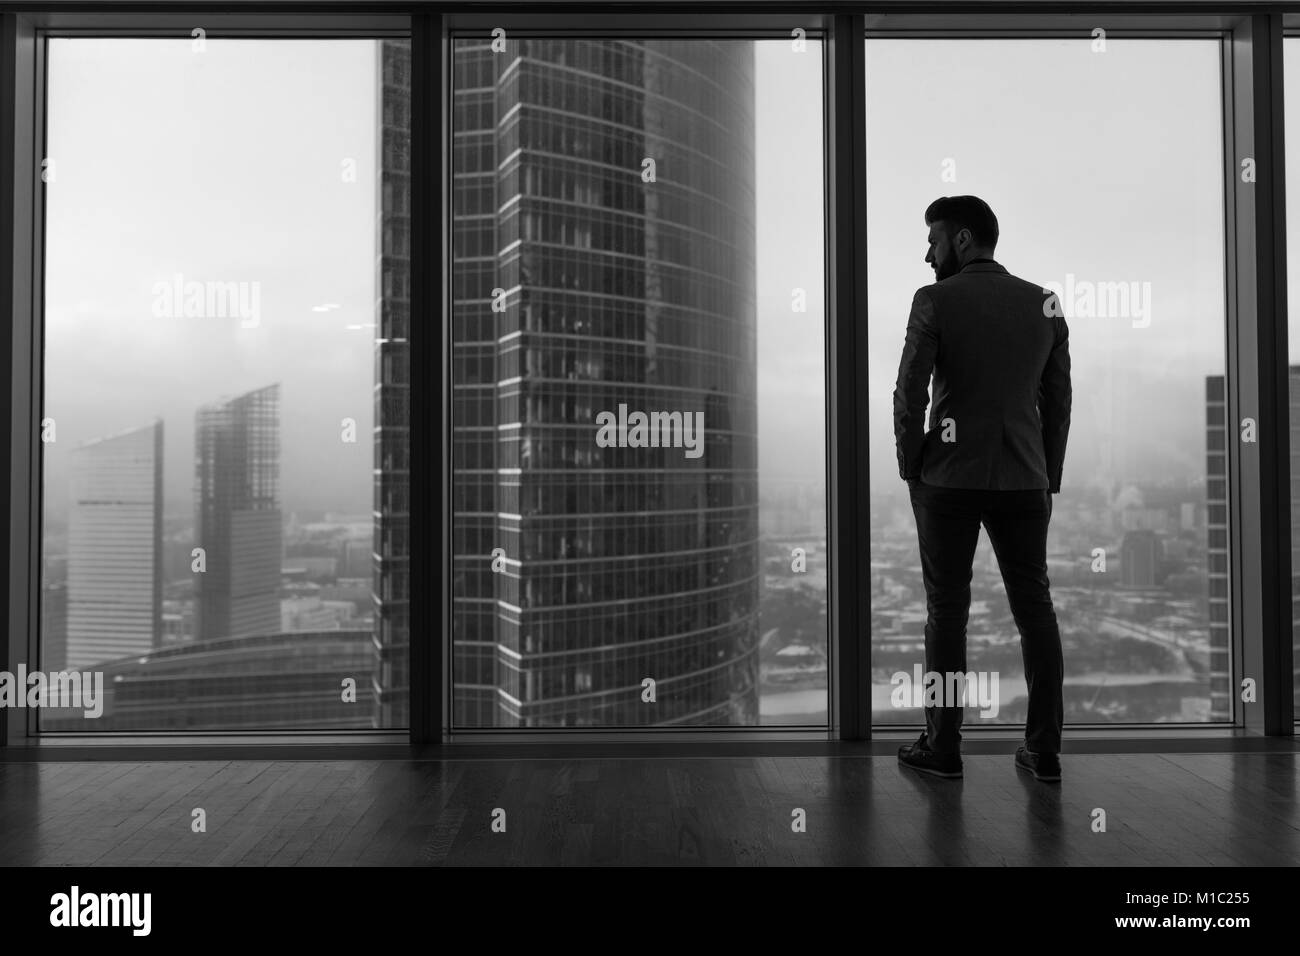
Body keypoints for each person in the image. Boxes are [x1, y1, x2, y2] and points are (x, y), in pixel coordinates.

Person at [893, 195, 1071, 783]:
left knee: (947, 614)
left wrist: (912, 464)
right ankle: (1043, 749)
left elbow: (909, 393)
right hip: (1023, 480)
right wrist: (1049, 471)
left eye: (934, 241)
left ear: (963, 240)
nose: (927, 254)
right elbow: (1058, 400)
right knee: (1035, 609)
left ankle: (943, 749)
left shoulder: (936, 301)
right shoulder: (1042, 304)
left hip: (948, 479)